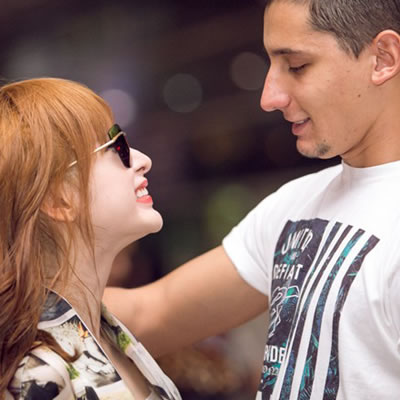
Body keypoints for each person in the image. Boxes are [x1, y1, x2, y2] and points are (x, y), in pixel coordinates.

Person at [103, 0, 400, 399]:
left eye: (297, 66)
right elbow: (150, 315)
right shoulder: (296, 205)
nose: (269, 97)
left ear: (383, 59)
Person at [0, 78, 181, 400]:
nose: (142, 160)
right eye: (117, 147)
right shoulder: (38, 376)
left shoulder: (106, 334)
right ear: (60, 199)